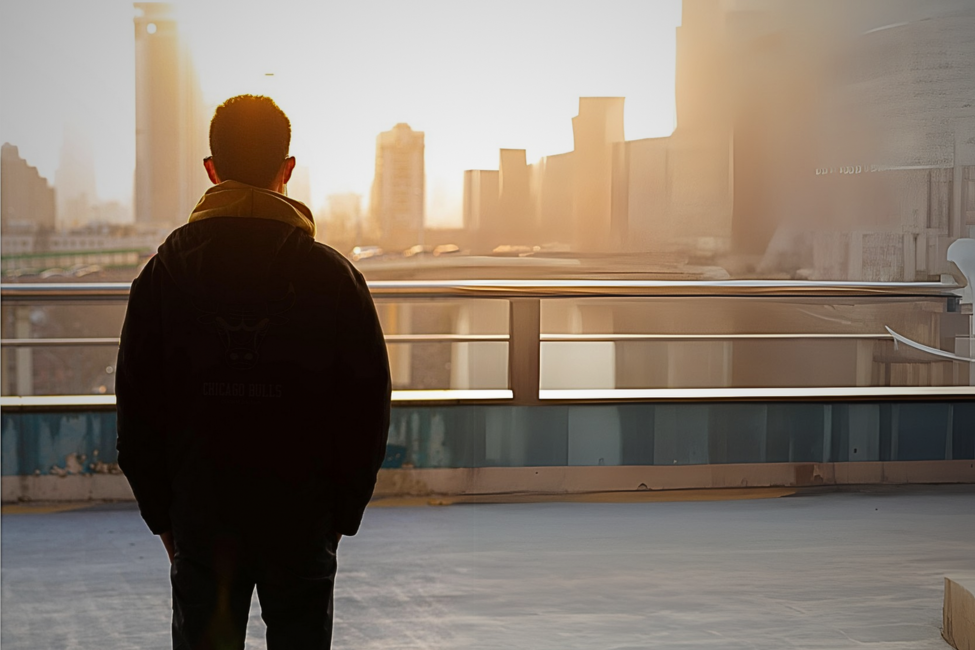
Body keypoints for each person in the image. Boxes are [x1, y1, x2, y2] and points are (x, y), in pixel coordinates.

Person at [116, 94, 391, 649]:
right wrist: (338, 519)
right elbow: (367, 411)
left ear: (211, 171)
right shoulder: (334, 279)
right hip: (303, 516)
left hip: (199, 512)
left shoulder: (161, 278)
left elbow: (137, 412)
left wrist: (166, 523)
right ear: (286, 170)